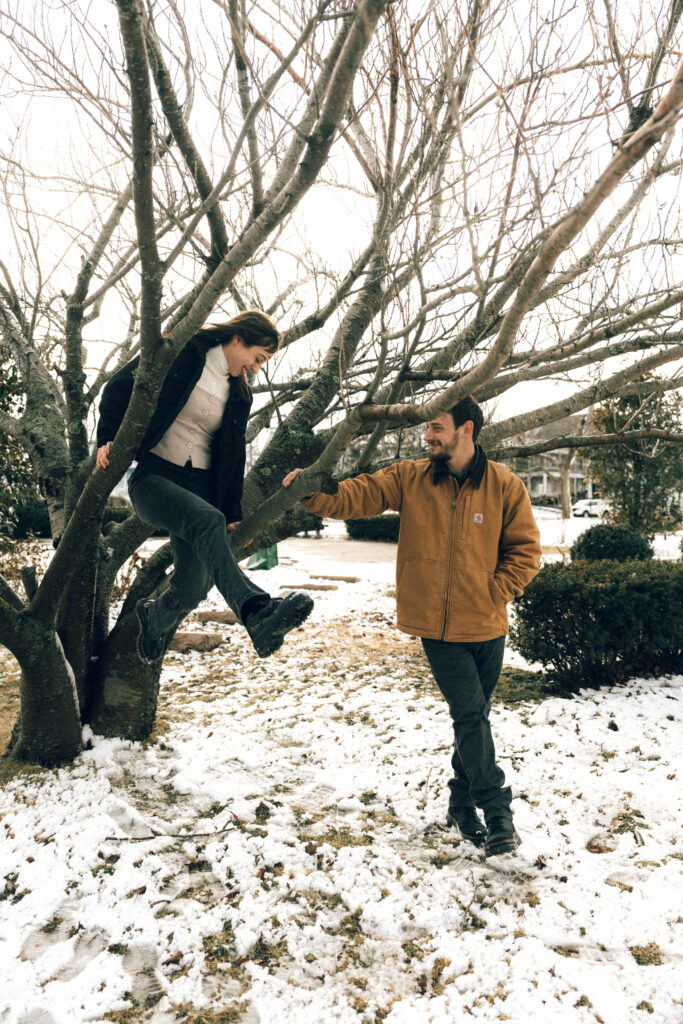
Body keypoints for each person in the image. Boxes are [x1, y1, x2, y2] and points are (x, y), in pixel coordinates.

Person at [283, 396, 541, 856]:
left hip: (488, 623)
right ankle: (498, 812)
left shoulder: (505, 485)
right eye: (427, 429)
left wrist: (496, 590)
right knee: (470, 715)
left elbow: (525, 550)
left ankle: (459, 808)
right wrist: (308, 490)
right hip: (437, 627)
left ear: (466, 430)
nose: (427, 437)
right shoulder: (411, 477)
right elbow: (353, 495)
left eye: (436, 428)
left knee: (473, 720)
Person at [96, 311, 313, 662]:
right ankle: (256, 611)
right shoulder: (183, 351)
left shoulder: (240, 395)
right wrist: (108, 439)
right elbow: (119, 387)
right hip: (154, 480)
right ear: (238, 339)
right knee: (206, 521)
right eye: (258, 358)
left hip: (199, 491)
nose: (257, 368)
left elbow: (232, 454)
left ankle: (154, 618)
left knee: (193, 587)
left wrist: (230, 509)